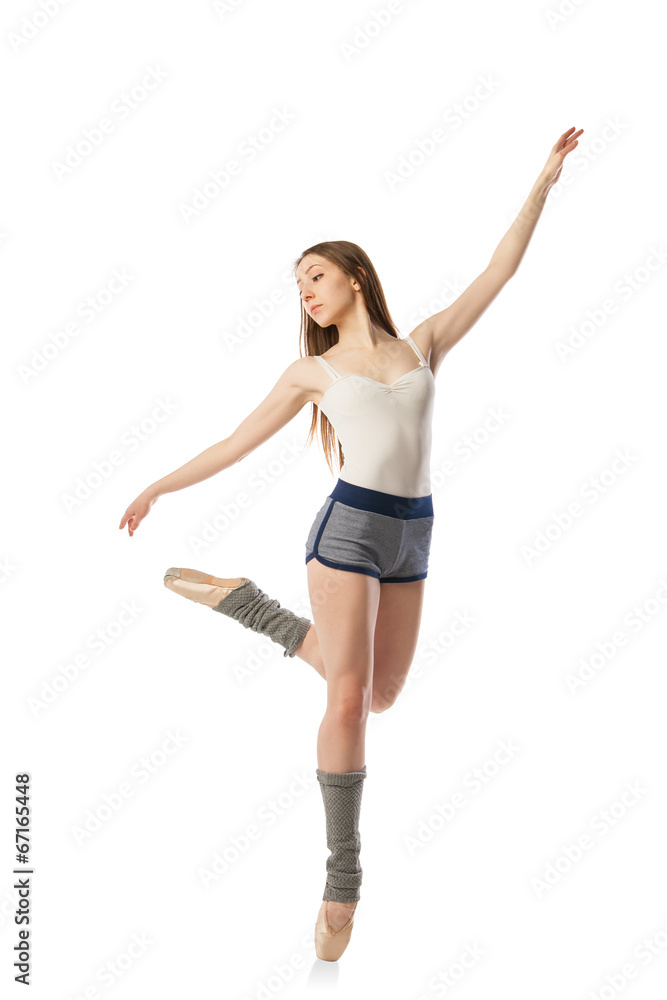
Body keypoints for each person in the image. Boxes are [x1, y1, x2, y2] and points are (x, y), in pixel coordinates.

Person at [119, 126, 582, 961]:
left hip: (416, 532)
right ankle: (342, 887)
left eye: (316, 276)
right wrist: (158, 485)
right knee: (343, 699)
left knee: (378, 694)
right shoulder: (313, 374)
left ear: (355, 277)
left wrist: (542, 183)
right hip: (350, 528)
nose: (304, 292)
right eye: (297, 284)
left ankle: (248, 604)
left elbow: (497, 271)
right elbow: (232, 441)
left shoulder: (422, 344)